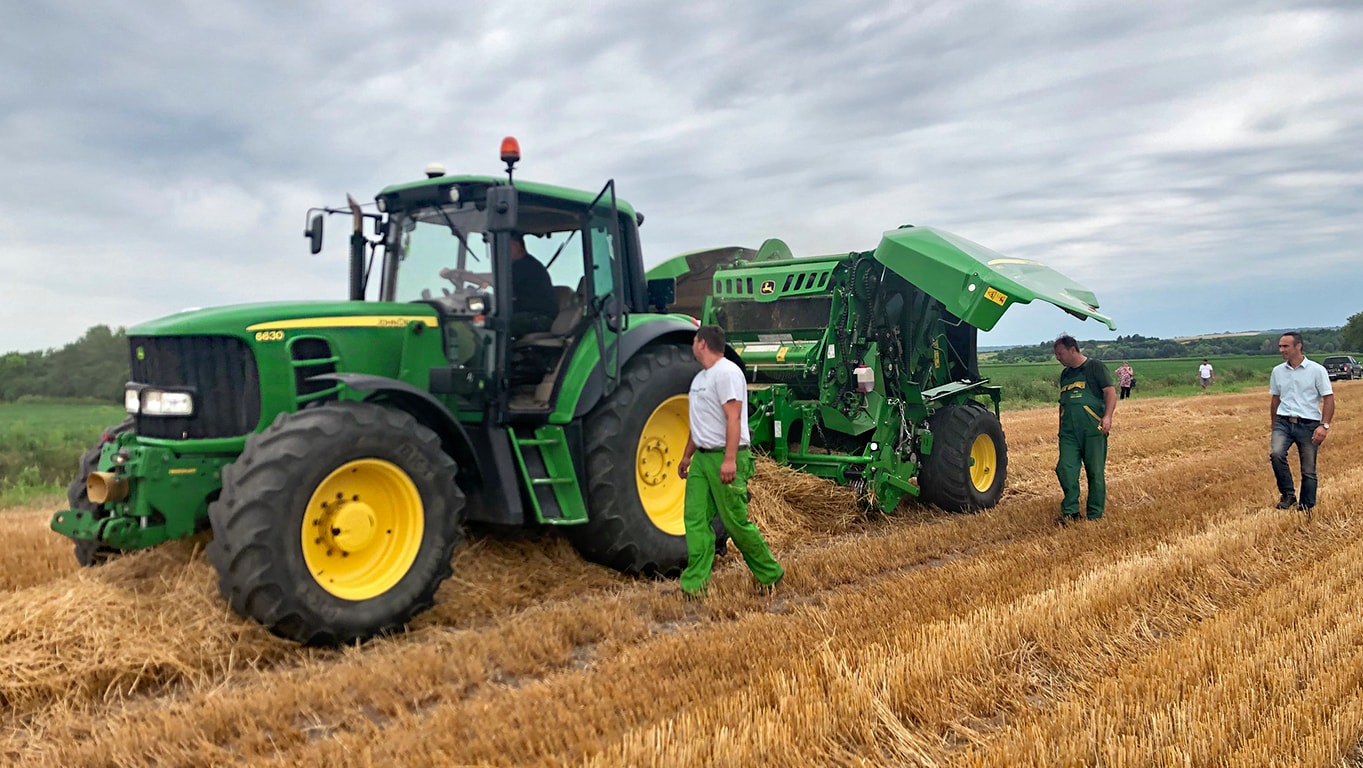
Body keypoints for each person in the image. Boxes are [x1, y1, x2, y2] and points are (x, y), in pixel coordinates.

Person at [676, 325, 784, 598]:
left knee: (735, 523)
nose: (692, 345)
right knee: (695, 520)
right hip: (702, 458)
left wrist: (730, 460)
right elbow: (698, 423)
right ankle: (694, 587)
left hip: (726, 456)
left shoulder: (727, 373)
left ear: (702, 343)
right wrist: (687, 455)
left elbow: (734, 418)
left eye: (693, 341)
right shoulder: (700, 379)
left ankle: (769, 573)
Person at [1053, 334, 1117, 524]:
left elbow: (1110, 392)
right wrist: (1060, 427)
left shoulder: (1094, 367)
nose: (1058, 358)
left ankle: (1094, 514)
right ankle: (1070, 511)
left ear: (1073, 350)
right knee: (1065, 468)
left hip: (1092, 429)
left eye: (1060, 353)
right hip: (1069, 432)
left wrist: (1107, 417)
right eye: (1056, 354)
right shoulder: (1065, 375)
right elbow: (1062, 404)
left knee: (1095, 472)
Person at [1268, 332, 1334, 512]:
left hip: (1309, 424)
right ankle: (1288, 495)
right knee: (1276, 454)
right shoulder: (1277, 371)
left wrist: (1324, 425)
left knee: (1308, 469)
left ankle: (1306, 507)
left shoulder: (1316, 370)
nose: (1281, 350)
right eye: (1280, 346)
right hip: (1283, 421)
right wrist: (1274, 425)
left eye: (1285, 346)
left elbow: (1328, 399)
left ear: (1298, 346)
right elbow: (1275, 399)